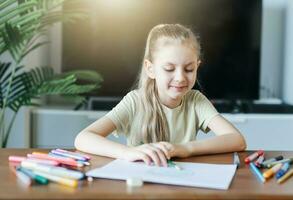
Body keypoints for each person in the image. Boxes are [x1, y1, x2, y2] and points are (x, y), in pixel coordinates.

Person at [75, 24, 246, 167]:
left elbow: (237, 140)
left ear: (197, 66)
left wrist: (184, 149)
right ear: (151, 69)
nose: (180, 77)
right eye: (169, 69)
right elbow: (83, 138)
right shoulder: (135, 101)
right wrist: (127, 152)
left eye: (189, 69)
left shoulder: (195, 101)